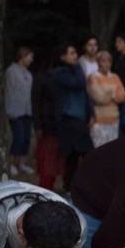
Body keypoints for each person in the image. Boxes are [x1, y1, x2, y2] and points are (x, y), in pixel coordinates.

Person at [52, 42, 93, 189]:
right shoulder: (60, 73)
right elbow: (79, 83)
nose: (75, 56)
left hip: (79, 119)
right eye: (71, 53)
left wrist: (90, 114)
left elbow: (84, 93)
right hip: (69, 120)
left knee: (74, 156)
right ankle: (71, 185)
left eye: (76, 53)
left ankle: (71, 185)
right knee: (81, 154)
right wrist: (77, 67)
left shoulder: (76, 71)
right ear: (63, 57)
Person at [31, 49, 63, 190]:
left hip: (56, 124)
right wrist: (38, 125)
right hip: (47, 124)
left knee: (54, 159)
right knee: (48, 160)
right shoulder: (42, 78)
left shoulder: (56, 77)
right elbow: (36, 102)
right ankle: (46, 187)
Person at [86, 50, 125, 148]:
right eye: (103, 61)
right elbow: (99, 97)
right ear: (98, 62)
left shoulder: (115, 77)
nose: (107, 64)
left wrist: (108, 93)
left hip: (113, 119)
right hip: (99, 120)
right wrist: (113, 92)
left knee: (112, 150)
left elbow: (122, 95)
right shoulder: (93, 77)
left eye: (109, 61)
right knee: (99, 150)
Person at [5, 46, 35, 175]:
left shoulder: (28, 74)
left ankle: (22, 163)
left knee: (27, 138)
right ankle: (11, 164)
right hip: (15, 110)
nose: (31, 59)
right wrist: (9, 109)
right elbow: (8, 91)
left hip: (27, 110)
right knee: (19, 137)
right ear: (23, 56)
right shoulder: (11, 71)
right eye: (30, 56)